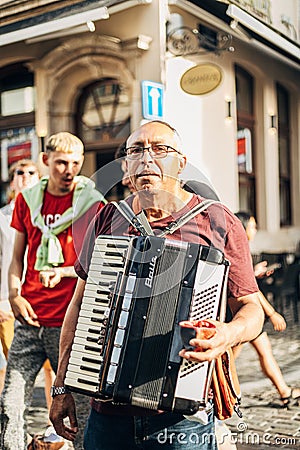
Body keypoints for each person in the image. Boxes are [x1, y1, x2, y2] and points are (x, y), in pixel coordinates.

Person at [50, 121, 264, 450]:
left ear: (181, 163)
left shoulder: (217, 219)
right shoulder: (107, 218)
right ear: (124, 168)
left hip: (181, 420)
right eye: (136, 151)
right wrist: (61, 386)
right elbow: (78, 306)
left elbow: (251, 307)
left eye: (160, 149)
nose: (147, 158)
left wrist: (227, 335)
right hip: (107, 413)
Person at [0, 132, 106, 449]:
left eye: (75, 163)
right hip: (29, 320)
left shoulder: (92, 204)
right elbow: (17, 258)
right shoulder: (28, 200)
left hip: (70, 322)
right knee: (10, 405)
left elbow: (99, 264)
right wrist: (14, 294)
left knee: (80, 411)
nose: (69, 170)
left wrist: (59, 272)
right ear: (46, 161)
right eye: (61, 163)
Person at [234, 211, 300, 407]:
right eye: (252, 226)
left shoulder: (242, 249)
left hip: (250, 314)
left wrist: (254, 274)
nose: (255, 230)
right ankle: (229, 399)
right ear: (242, 227)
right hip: (242, 314)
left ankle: (284, 392)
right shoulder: (238, 250)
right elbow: (250, 291)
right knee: (228, 361)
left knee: (265, 352)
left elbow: (247, 282)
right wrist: (272, 313)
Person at [0, 159, 40, 394]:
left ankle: (49, 427)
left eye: (31, 172)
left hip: (43, 300)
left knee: (52, 369)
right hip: (8, 301)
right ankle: (14, 427)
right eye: (19, 172)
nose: (25, 176)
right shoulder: (2, 217)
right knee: (11, 370)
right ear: (12, 181)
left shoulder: (50, 214)